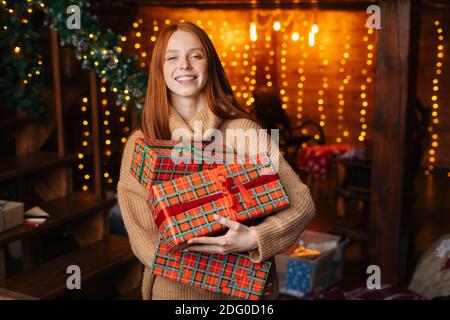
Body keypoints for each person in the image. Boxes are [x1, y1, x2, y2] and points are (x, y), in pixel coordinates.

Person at [117, 21, 316, 300]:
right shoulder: (141, 144)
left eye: (195, 56)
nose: (184, 65)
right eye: (172, 57)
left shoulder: (244, 132)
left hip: (244, 296)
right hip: (174, 293)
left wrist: (254, 238)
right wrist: (211, 271)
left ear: (209, 65)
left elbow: (302, 203)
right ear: (159, 70)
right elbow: (143, 238)